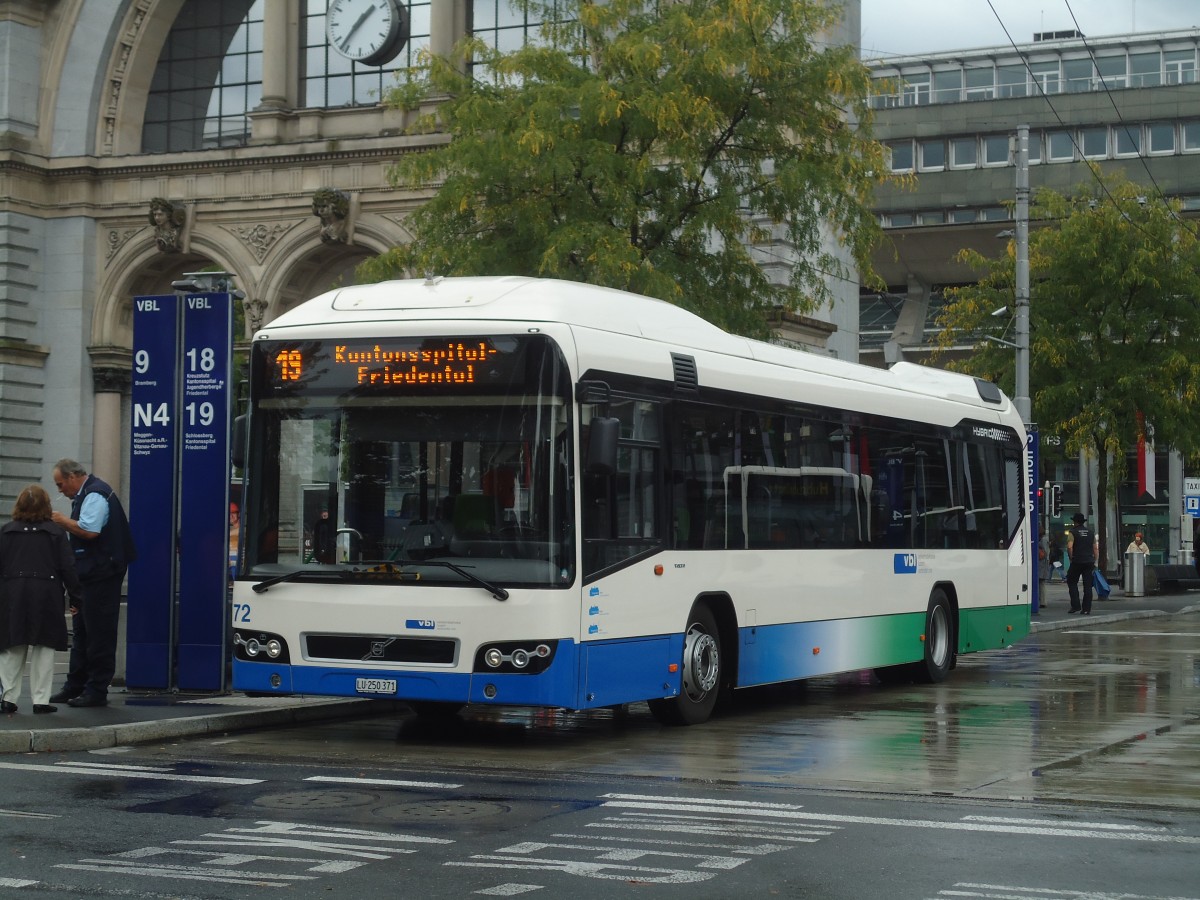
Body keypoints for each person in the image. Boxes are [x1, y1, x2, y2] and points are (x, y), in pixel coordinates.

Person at [48, 459, 137, 708]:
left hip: (101, 574)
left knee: (98, 633)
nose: (60, 490)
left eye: (60, 484)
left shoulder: (95, 494)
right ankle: (76, 685)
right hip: (91, 574)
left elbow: (90, 530)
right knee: (83, 632)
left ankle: (96, 689)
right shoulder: (90, 493)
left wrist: (62, 520)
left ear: (73, 477)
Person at [0, 485, 82, 714]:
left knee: (11, 646)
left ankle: (8, 697)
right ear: (47, 505)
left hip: (12, 592)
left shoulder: (6, 531)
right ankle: (40, 699)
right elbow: (68, 567)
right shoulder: (55, 533)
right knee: (44, 648)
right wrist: (76, 598)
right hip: (46, 593)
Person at [1066, 511, 1097, 616]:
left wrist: (1071, 557)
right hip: (1089, 561)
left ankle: (1075, 605)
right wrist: (1094, 560)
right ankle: (1086, 609)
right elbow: (1095, 548)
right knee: (1088, 586)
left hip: (1077, 561)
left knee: (1071, 582)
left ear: (1075, 522)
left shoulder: (1072, 532)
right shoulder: (1091, 532)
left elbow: (1070, 546)